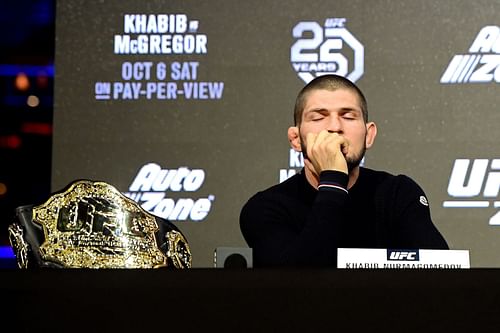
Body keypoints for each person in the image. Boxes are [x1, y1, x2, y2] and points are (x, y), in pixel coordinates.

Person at [239, 74, 448, 267]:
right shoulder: (267, 207)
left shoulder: (397, 194)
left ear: (368, 135)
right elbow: (298, 285)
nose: (334, 127)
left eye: (348, 116)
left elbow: (443, 275)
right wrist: (333, 180)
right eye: (318, 117)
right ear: (295, 139)